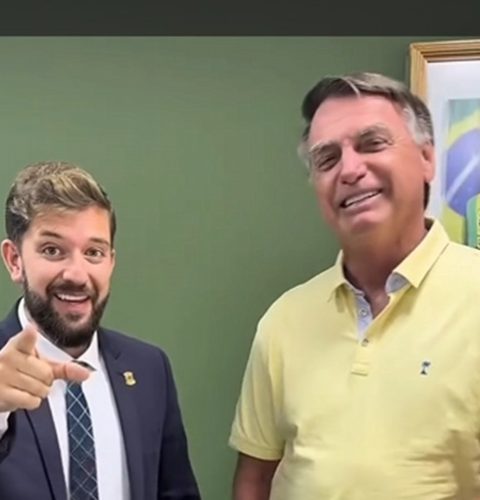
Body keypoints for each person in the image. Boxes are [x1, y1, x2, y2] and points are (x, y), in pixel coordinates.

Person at [229, 72, 480, 499]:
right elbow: (255, 479)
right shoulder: (284, 320)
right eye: (327, 159)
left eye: (372, 143)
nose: (349, 169)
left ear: (426, 159)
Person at [0, 161, 201, 499]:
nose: (77, 274)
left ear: (111, 262)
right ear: (14, 260)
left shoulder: (150, 369)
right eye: (52, 250)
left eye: (94, 252)